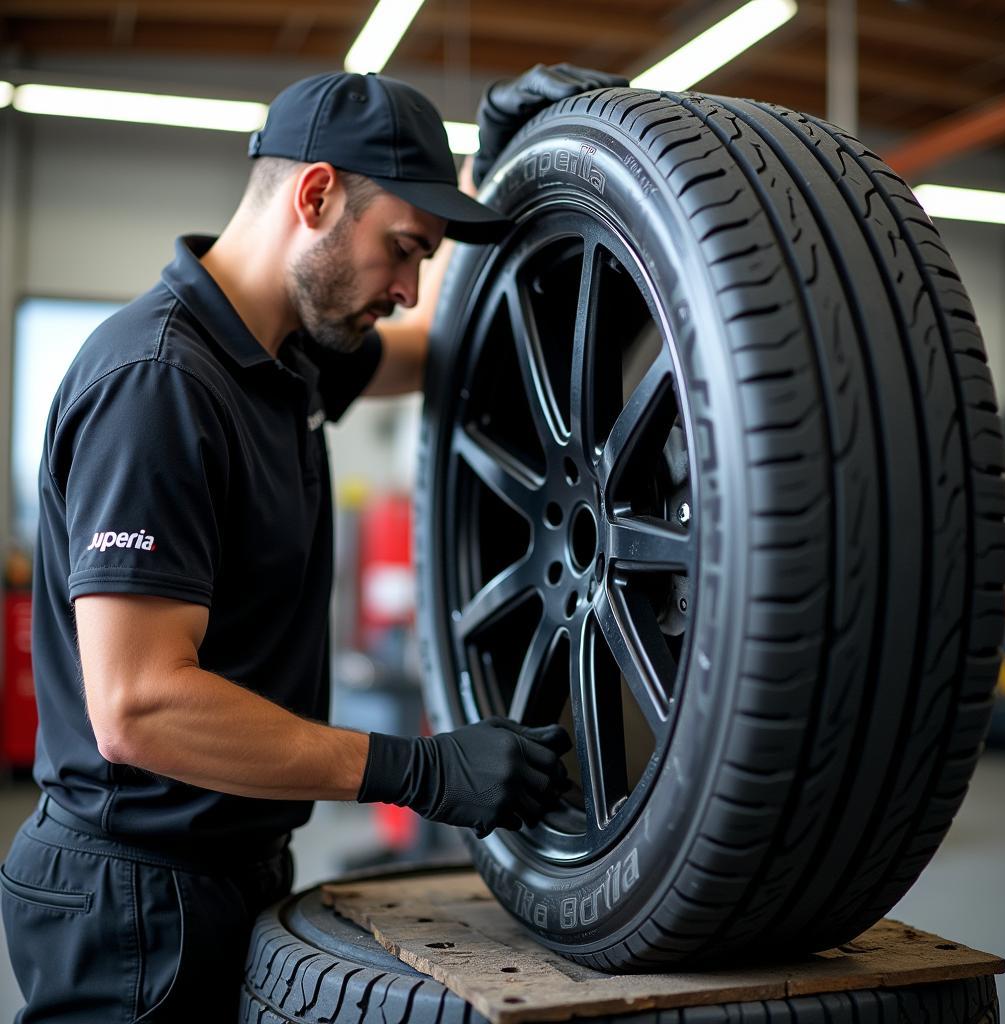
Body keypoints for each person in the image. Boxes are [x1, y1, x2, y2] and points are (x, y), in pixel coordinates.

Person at [0, 63, 627, 1021]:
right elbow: (139, 706)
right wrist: (417, 770)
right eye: (403, 250)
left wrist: (489, 164)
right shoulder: (161, 384)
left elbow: (435, 351)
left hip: (224, 867)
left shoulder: (283, 357)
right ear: (318, 194)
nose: (411, 289)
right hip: (132, 898)